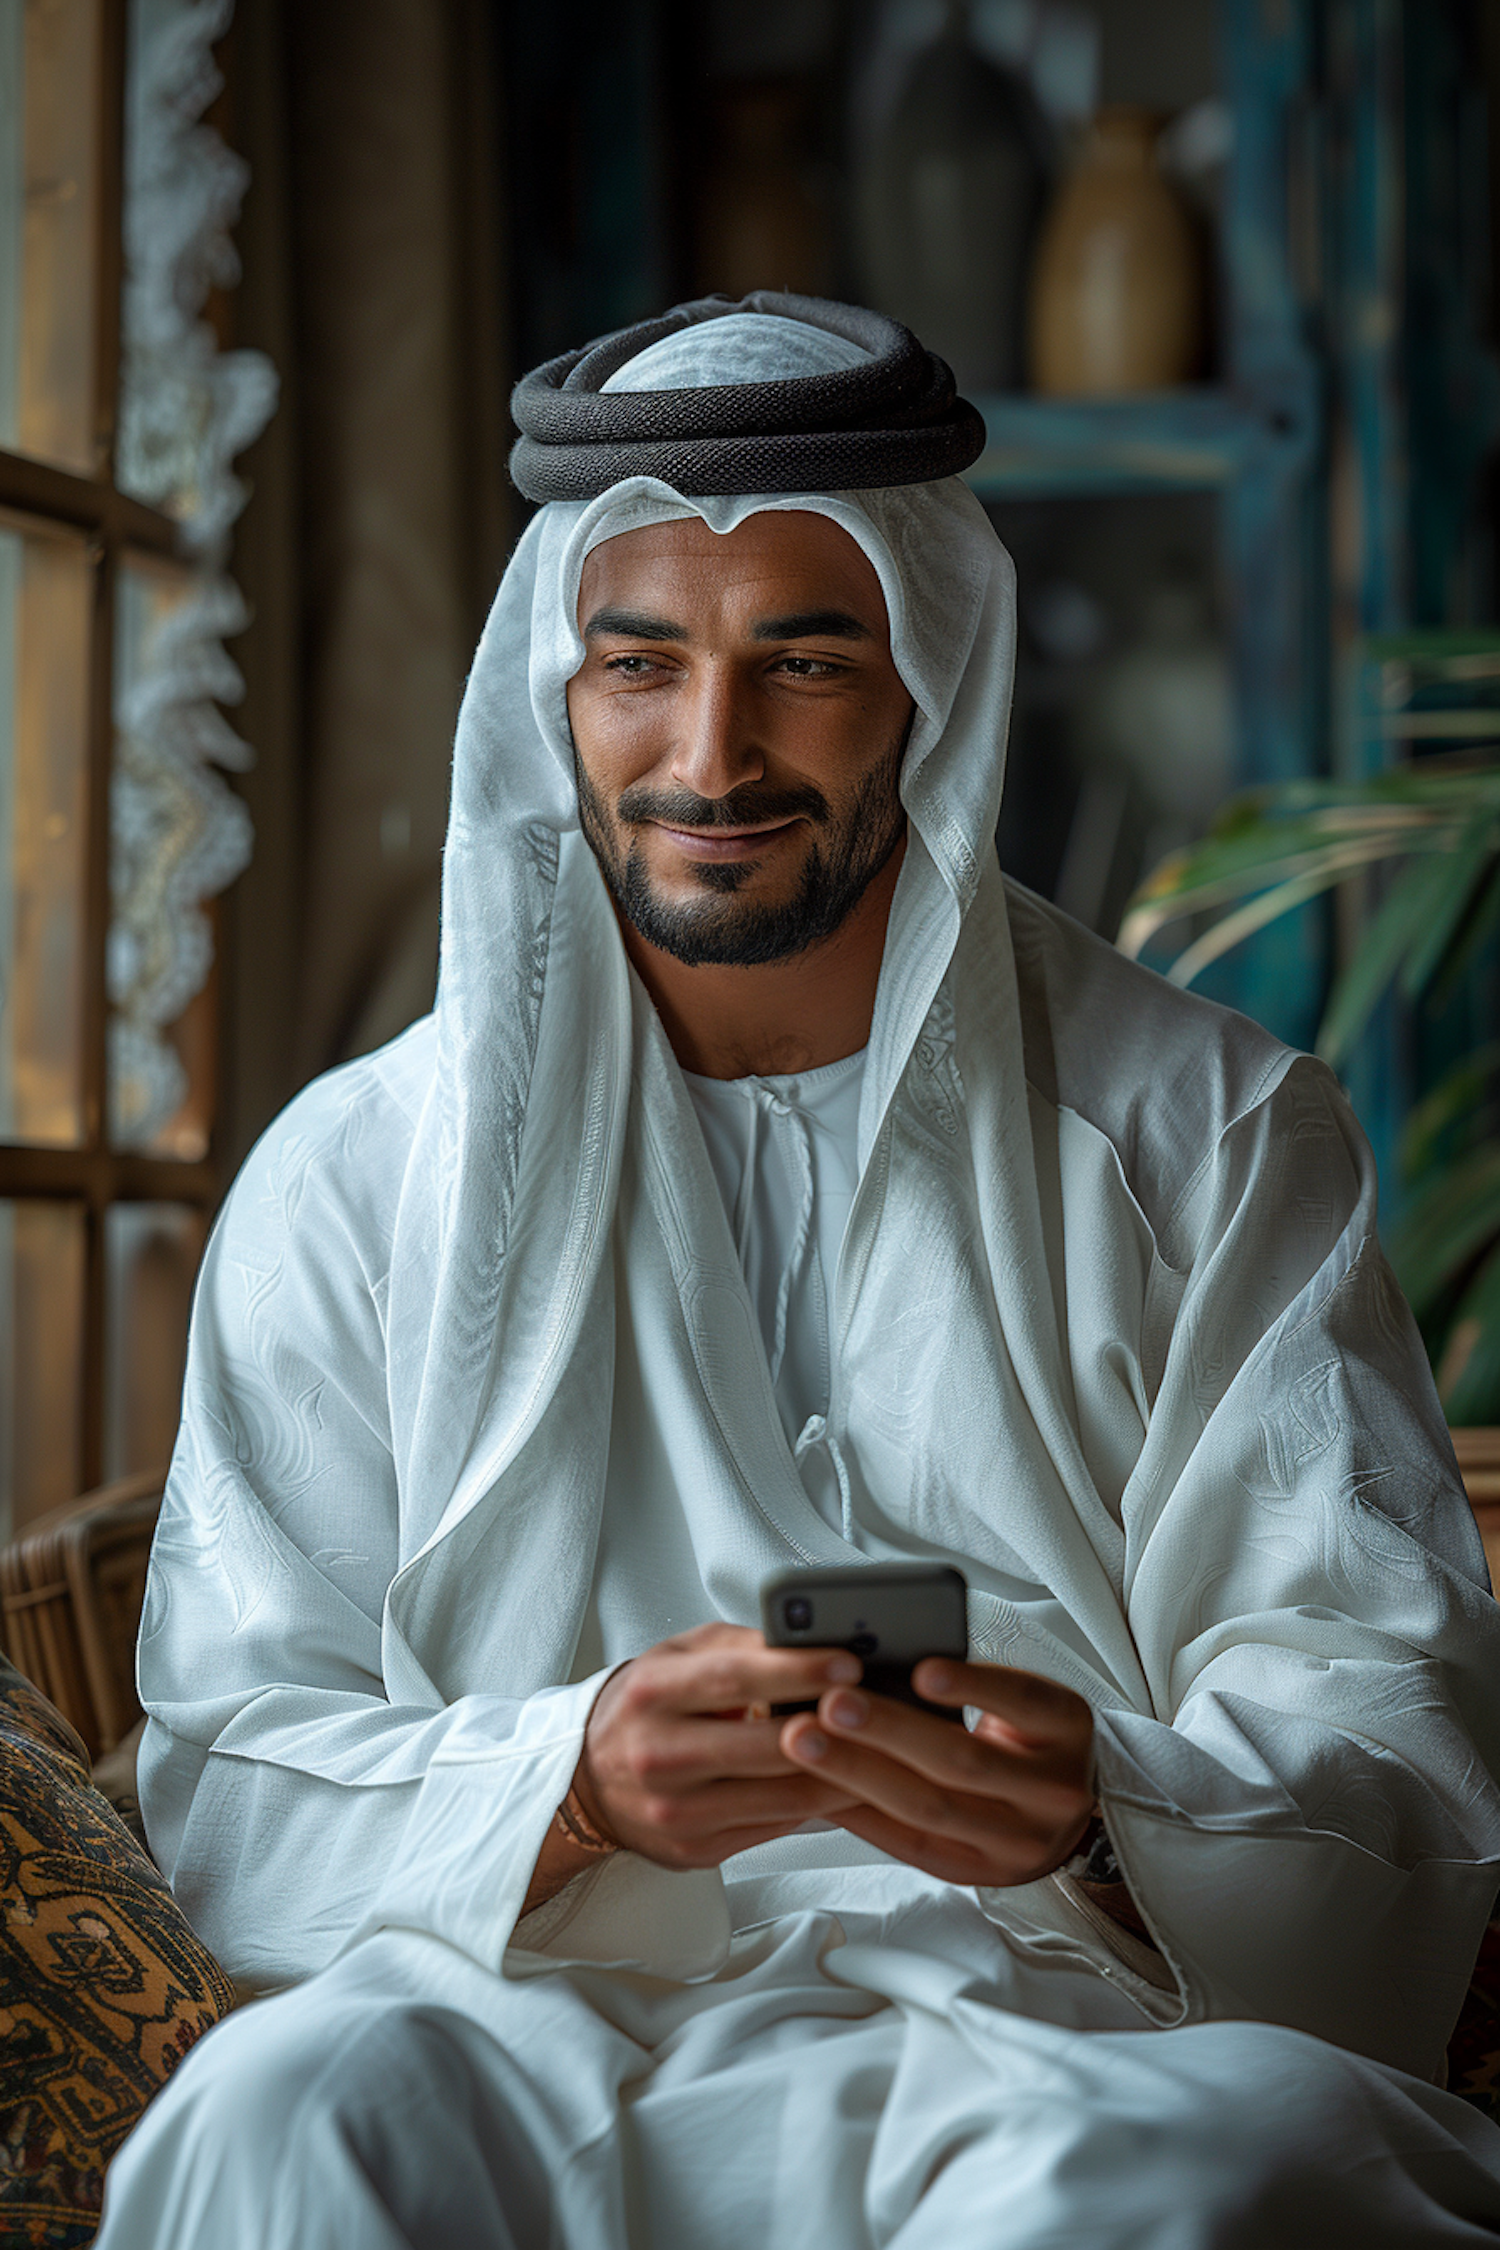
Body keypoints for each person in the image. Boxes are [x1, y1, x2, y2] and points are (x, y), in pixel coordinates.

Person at [98, 295, 1500, 2247]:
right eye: (639, 663)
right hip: (520, 2002)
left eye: (806, 661)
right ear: (557, 697)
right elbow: (239, 1764)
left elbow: (1380, 1717)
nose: (709, 751)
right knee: (282, 2116)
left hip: (1063, 2027)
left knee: (1202, 2181)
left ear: (933, 677)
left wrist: (1101, 1814)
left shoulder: (1215, 1129)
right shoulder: (358, 1175)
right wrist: (571, 1782)